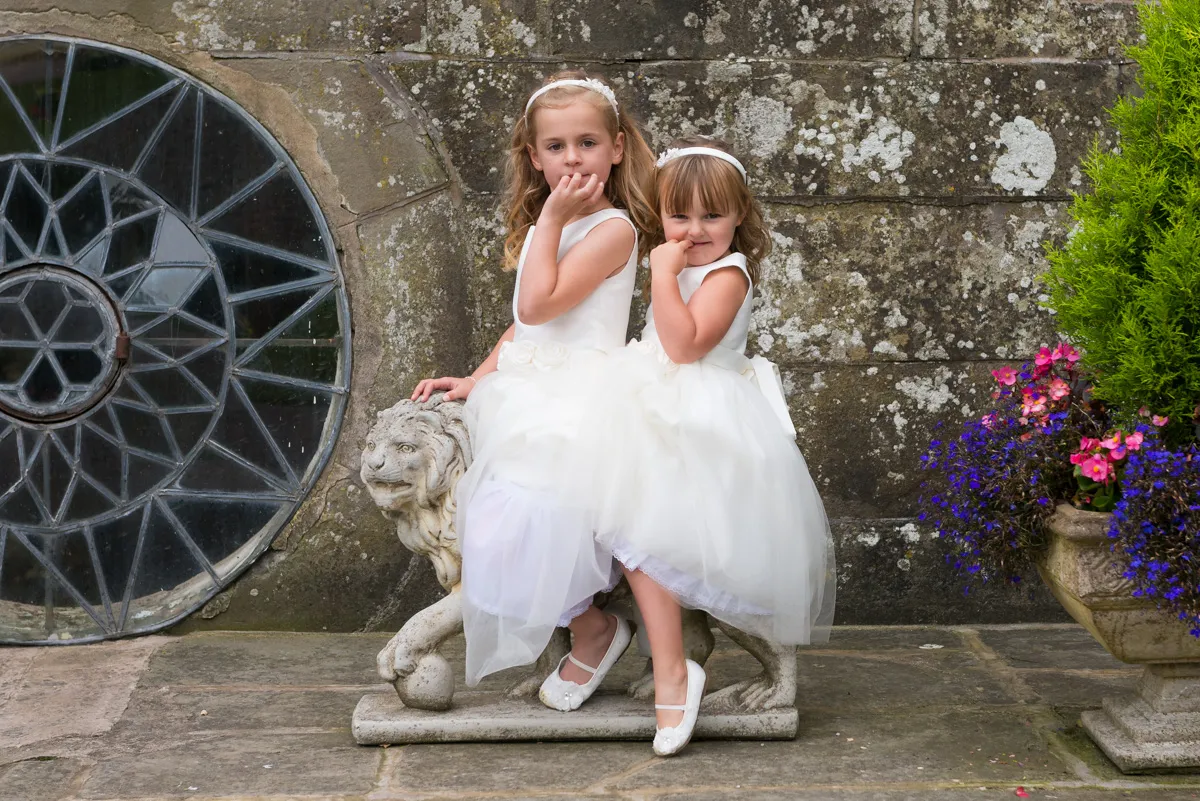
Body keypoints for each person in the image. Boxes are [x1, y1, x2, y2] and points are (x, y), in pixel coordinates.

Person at [577, 137, 836, 756]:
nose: (694, 230)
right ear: (660, 215)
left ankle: (678, 670)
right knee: (620, 531)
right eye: (679, 216)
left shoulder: (728, 273)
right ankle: (648, 654)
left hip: (701, 422)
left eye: (712, 216)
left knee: (655, 541)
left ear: (739, 215)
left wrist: (662, 274)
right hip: (649, 410)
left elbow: (686, 344)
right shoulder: (684, 261)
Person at [410, 72, 656, 695]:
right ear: (533, 155)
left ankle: (594, 629)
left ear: (618, 147)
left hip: (582, 394)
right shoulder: (560, 224)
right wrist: (478, 375)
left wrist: (548, 220)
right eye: (555, 147)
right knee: (490, 523)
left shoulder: (612, 230)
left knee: (533, 517)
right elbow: (524, 325)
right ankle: (589, 625)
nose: (572, 157)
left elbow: (542, 306)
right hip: (531, 385)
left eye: (587, 142)